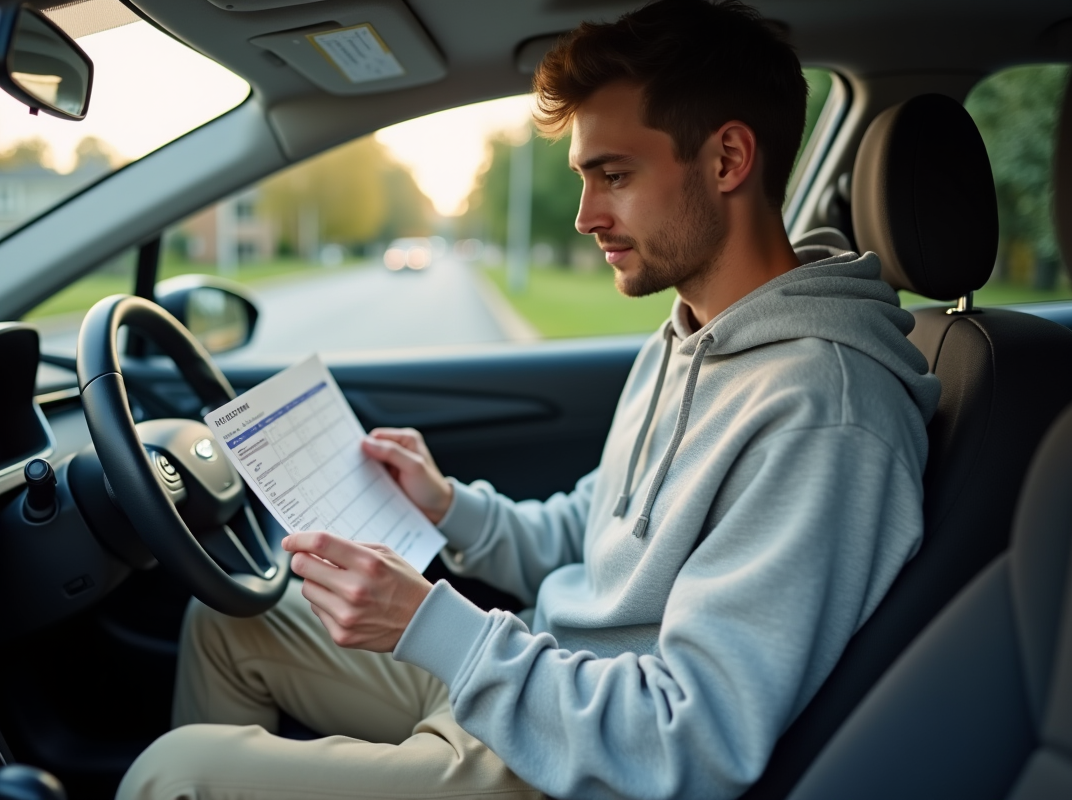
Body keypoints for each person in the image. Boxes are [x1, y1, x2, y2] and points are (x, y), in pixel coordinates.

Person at [117, 1, 939, 798]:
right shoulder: (691, 334)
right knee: (234, 622)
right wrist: (449, 509)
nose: (585, 215)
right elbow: (598, 532)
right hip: (540, 682)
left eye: (613, 175)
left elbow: (691, 740)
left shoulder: (824, 410)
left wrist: (433, 626)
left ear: (727, 159)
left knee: (172, 775)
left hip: (582, 764)